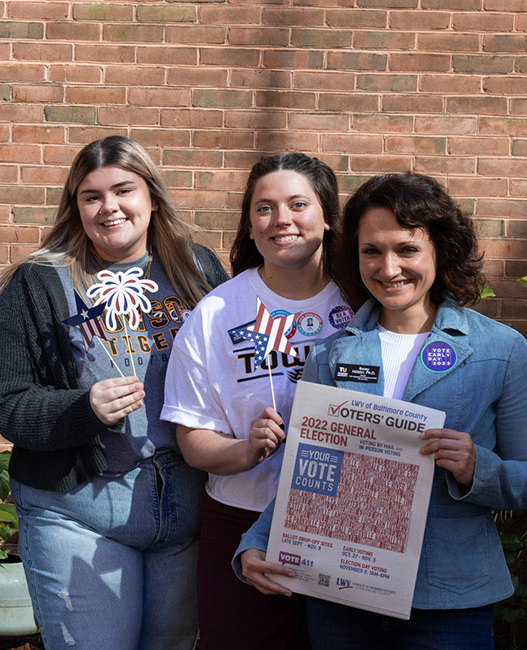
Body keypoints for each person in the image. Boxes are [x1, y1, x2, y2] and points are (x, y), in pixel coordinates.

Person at [237, 172, 527, 649]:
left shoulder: (501, 350)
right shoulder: (330, 355)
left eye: (407, 249)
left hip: (450, 601)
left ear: (441, 250)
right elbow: (306, 477)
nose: (388, 268)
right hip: (342, 600)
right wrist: (255, 542)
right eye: (372, 250)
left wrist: (480, 469)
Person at [0, 135, 228, 650]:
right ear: (76, 206)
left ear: (152, 197)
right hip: (80, 510)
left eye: (123, 190)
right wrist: (82, 408)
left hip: (183, 510)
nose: (109, 207)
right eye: (91, 196)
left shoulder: (197, 268)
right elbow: (6, 402)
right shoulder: (42, 281)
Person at [160, 153, 347, 650]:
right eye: (264, 207)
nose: (281, 219)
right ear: (249, 222)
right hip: (241, 520)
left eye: (298, 204)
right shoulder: (217, 312)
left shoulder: (363, 302)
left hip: (347, 525)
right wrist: (245, 449)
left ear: (327, 216)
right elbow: (192, 440)